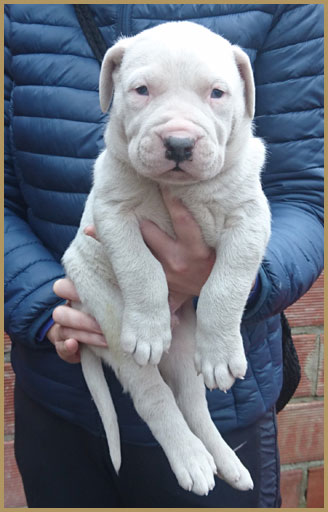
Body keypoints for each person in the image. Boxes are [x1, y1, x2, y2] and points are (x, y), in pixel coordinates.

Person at [4, 4, 323, 508]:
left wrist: (227, 292)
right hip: (57, 373)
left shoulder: (285, 10)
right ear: (112, 84)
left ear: (244, 93)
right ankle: (177, 434)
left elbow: (302, 200)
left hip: (227, 386)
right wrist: (46, 310)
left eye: (216, 95)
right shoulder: (21, 14)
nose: (179, 134)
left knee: (194, 395)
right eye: (143, 90)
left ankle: (209, 441)